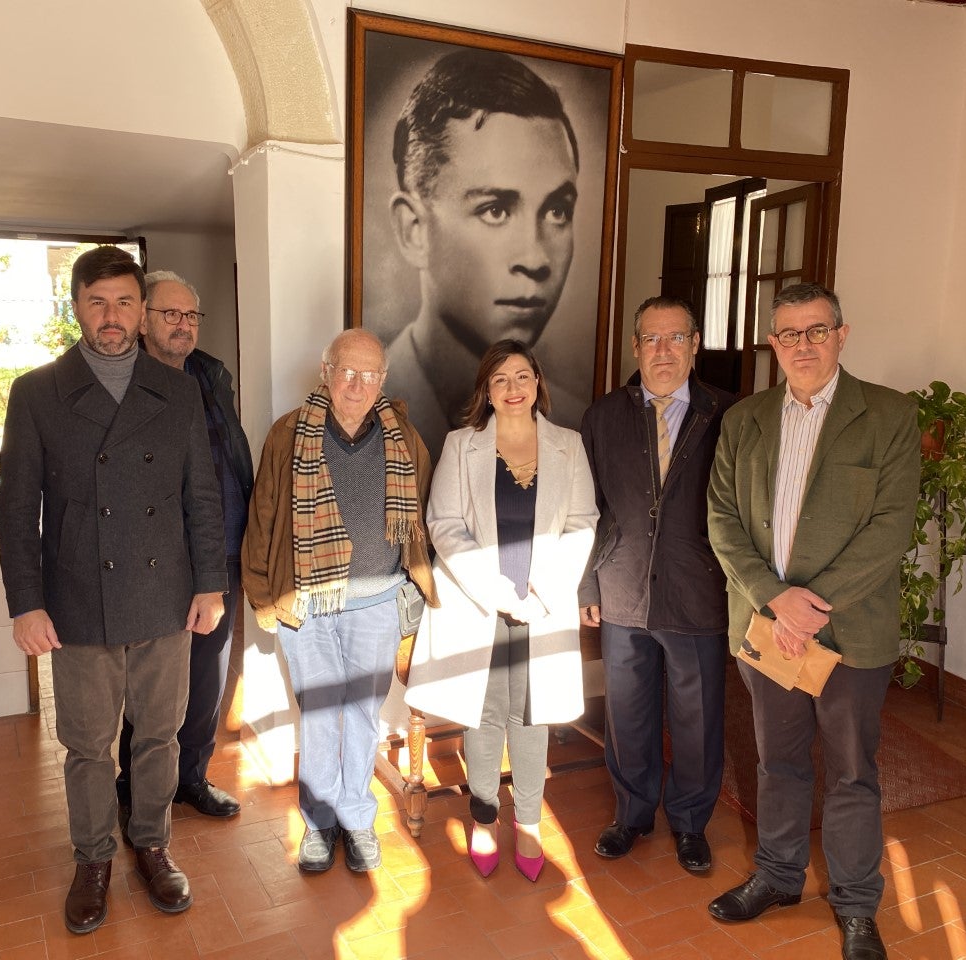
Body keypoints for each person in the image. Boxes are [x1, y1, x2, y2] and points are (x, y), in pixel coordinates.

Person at [0, 246, 227, 935]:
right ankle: (93, 858)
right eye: (98, 302)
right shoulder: (37, 392)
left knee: (158, 734)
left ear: (141, 310)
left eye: (125, 302)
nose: (112, 316)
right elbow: (16, 509)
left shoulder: (180, 390)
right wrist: (25, 602)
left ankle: (152, 842)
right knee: (89, 744)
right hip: (76, 598)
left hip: (166, 593)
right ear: (75, 309)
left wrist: (212, 585)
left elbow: (203, 497)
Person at [705, 283, 919, 960]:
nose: (803, 345)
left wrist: (810, 604)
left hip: (850, 632)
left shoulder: (888, 415)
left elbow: (892, 527)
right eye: (789, 334)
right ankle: (777, 874)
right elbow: (722, 521)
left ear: (842, 334)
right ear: (773, 343)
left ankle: (857, 905)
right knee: (779, 761)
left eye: (816, 330)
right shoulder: (745, 420)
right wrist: (774, 598)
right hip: (769, 626)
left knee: (854, 770)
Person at [241, 328, 437, 873]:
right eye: (345, 371)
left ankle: (357, 818)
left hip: (376, 601)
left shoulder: (403, 435)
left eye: (369, 373)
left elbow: (419, 510)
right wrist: (262, 596)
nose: (356, 383)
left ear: (383, 380)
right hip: (307, 604)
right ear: (326, 372)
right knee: (322, 717)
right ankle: (320, 823)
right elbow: (262, 518)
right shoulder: (289, 434)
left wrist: (414, 583)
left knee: (362, 715)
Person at [404, 339, 597, 882]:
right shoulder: (461, 445)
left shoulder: (569, 445)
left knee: (531, 716)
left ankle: (530, 823)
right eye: (500, 380)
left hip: (543, 604)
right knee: (486, 714)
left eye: (522, 377)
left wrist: (546, 589)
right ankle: (485, 816)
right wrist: (496, 590)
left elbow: (583, 520)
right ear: (486, 392)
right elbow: (443, 525)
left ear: (538, 383)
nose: (513, 389)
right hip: (479, 603)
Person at [579, 297, 736, 874]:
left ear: (695, 345)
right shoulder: (603, 417)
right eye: (651, 339)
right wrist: (586, 586)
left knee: (697, 717)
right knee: (629, 713)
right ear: (636, 346)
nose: (663, 351)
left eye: (676, 339)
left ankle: (691, 822)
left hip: (697, 592)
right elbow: (586, 509)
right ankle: (632, 814)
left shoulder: (729, 415)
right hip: (621, 589)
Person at [384, 48, 583, 454]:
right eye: (495, 210)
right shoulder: (367, 412)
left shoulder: (578, 427)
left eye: (557, 210)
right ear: (414, 230)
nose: (535, 259)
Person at [115, 270, 254, 832]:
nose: (183, 325)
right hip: (151, 559)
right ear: (144, 319)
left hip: (217, 554)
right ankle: (136, 783)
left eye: (191, 316)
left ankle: (191, 777)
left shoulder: (211, 375)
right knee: (146, 679)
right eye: (170, 314)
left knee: (207, 676)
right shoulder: (121, 381)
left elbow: (228, 462)